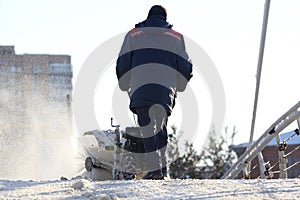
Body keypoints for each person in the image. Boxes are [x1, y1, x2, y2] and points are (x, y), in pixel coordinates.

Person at [116, 5, 193, 179]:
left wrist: (123, 82)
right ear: (164, 19)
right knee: (160, 128)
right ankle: (161, 170)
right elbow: (185, 66)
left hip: (140, 87)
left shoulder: (134, 34)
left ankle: (155, 170)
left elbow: (123, 61)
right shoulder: (175, 37)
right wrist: (179, 85)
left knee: (147, 128)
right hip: (165, 90)